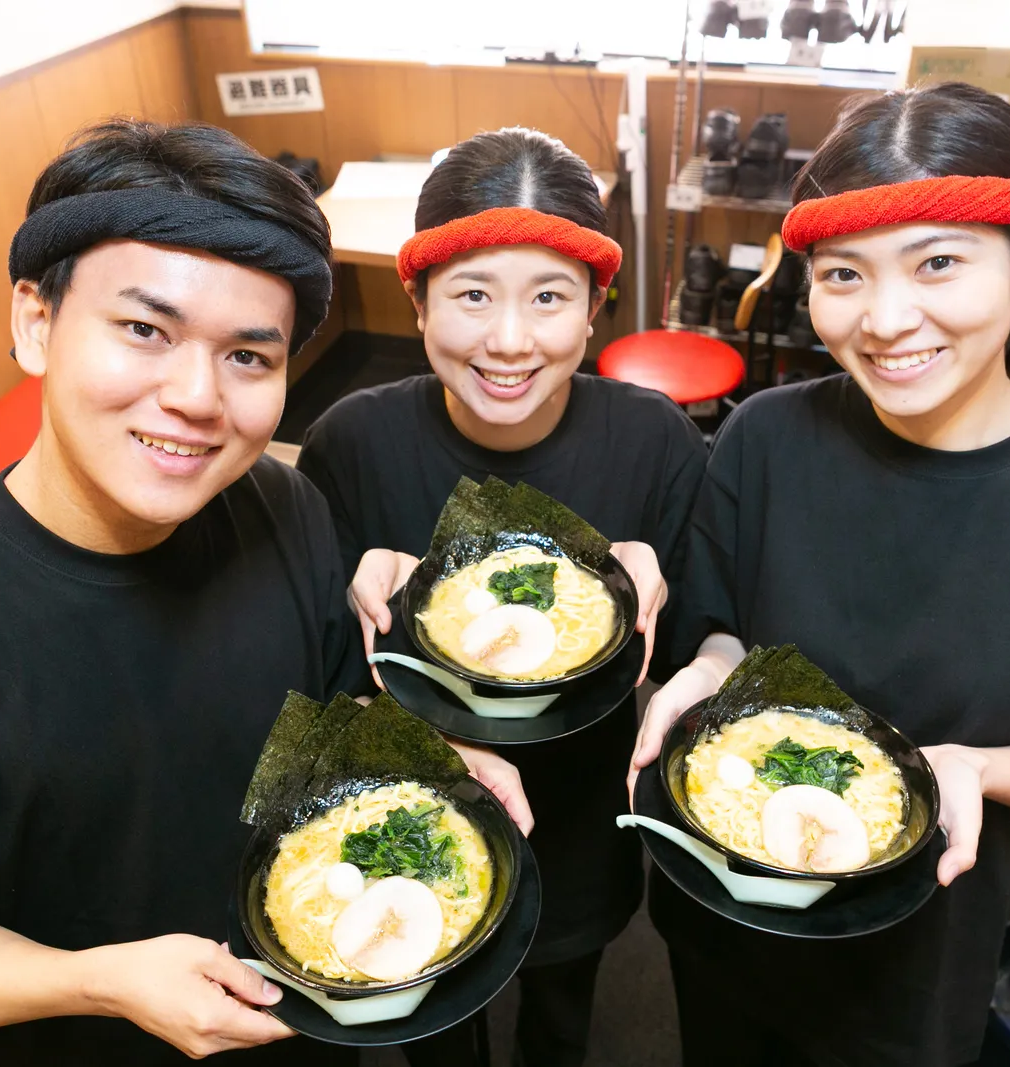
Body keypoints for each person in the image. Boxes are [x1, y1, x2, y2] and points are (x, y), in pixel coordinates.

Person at [0, 119, 417, 1066]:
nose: (196, 395)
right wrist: (100, 981)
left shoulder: (282, 502)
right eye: (145, 330)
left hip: (315, 1004)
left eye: (248, 356)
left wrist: (433, 746)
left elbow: (327, 713)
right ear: (37, 322)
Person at [628, 83, 1010, 1066]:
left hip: (919, 946)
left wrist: (975, 767)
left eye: (938, 263)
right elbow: (718, 622)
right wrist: (706, 670)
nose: (887, 319)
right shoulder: (765, 437)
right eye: (844, 274)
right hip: (732, 904)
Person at [296, 128, 708, 1066]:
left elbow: (702, 656)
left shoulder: (656, 442)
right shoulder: (348, 443)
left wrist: (668, 594)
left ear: (597, 307)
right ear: (417, 300)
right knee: (437, 1033)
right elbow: (310, 673)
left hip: (581, 818)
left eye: (550, 297)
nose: (510, 341)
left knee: (564, 1010)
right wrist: (361, 641)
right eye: (473, 295)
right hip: (405, 820)